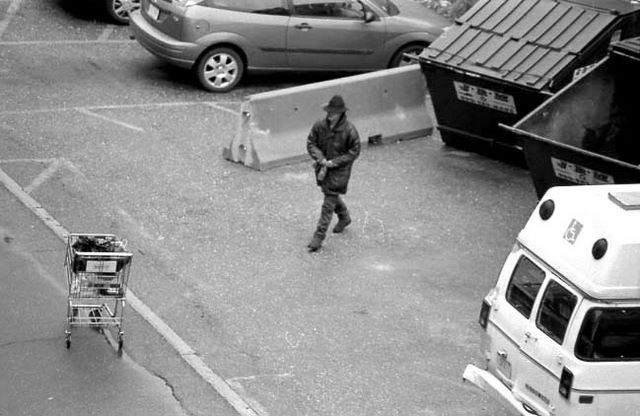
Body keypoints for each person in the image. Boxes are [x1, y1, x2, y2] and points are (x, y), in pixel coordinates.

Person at [306, 95, 361, 252]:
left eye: (334, 112)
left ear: (341, 113)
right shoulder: (320, 125)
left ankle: (319, 235)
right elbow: (311, 143)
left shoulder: (350, 130)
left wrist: (335, 162)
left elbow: (354, 152)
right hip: (322, 167)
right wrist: (321, 158)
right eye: (329, 112)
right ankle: (344, 217)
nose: (330, 115)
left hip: (339, 171)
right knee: (329, 193)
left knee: (328, 202)